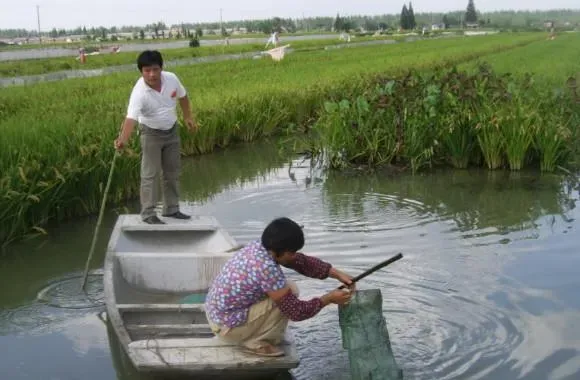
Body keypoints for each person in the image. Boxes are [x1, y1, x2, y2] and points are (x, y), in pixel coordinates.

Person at [204, 217, 356, 357]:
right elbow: (296, 312)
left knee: (289, 288)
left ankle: (257, 332)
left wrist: (336, 273)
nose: (294, 256)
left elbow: (301, 262)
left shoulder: (261, 247)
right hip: (226, 328)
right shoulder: (267, 269)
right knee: (287, 298)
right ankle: (256, 342)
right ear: (280, 251)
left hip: (216, 315)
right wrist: (328, 299)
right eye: (291, 252)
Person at [114, 50, 197, 224]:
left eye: (155, 69)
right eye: (147, 71)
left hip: (172, 130)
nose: (152, 74)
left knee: (172, 171)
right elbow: (131, 118)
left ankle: (172, 209)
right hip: (151, 133)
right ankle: (148, 213)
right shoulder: (139, 93)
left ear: (161, 68)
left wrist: (188, 117)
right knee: (149, 174)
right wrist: (123, 140)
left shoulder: (172, 79)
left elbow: (183, 97)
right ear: (141, 71)